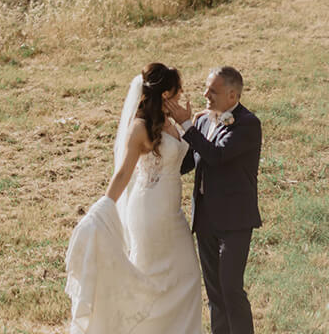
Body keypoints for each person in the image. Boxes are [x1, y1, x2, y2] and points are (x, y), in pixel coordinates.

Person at [65, 63, 203, 333]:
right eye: (177, 90)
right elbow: (123, 173)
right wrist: (103, 207)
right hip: (150, 211)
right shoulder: (139, 127)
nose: (181, 93)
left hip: (172, 211)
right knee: (152, 280)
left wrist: (189, 122)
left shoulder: (167, 120)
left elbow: (186, 159)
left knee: (186, 276)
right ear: (164, 93)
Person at [166, 66, 262, 334]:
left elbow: (217, 155)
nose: (206, 94)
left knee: (231, 288)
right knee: (215, 293)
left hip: (234, 220)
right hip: (205, 218)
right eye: (206, 88)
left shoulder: (248, 124)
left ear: (232, 95)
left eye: (213, 90)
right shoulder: (204, 121)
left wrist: (187, 125)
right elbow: (189, 162)